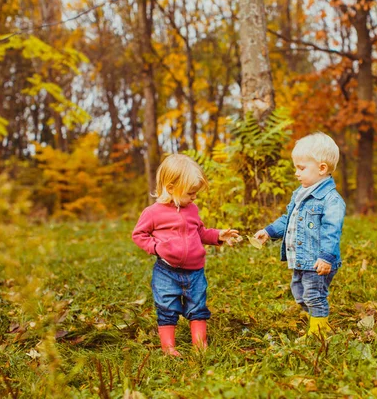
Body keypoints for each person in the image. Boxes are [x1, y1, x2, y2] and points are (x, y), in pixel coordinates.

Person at [132, 154, 239, 356]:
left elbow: (200, 232)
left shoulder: (192, 209)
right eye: (190, 193)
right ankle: (169, 348)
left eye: (195, 193)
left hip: (195, 272)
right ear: (171, 188)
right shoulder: (153, 212)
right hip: (167, 271)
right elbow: (139, 234)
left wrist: (218, 235)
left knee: (198, 307)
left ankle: (200, 346)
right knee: (166, 308)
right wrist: (156, 247)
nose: (194, 197)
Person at [254, 132, 346, 338]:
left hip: (318, 261)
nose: (296, 173)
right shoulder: (299, 193)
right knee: (299, 294)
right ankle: (317, 319)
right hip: (300, 259)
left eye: (301, 168)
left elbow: (332, 231)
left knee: (314, 295)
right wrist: (269, 231)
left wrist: (326, 257)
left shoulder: (331, 200)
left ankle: (319, 331)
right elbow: (288, 219)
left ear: (322, 168)